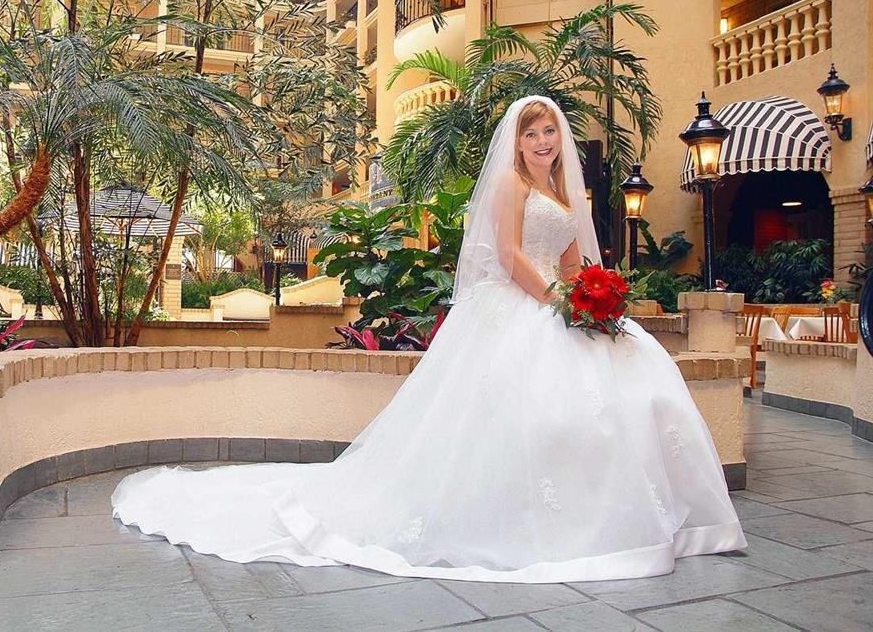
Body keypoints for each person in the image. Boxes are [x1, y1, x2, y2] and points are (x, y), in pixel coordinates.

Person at [112, 96, 747, 583]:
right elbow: (508, 254)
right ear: (517, 142)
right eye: (531, 133)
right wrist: (558, 301)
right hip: (517, 306)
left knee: (634, 382)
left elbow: (578, 260)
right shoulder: (509, 185)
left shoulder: (560, 192)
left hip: (560, 305)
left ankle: (636, 520)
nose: (542, 142)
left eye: (549, 132)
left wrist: (596, 298)